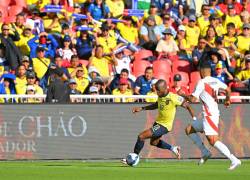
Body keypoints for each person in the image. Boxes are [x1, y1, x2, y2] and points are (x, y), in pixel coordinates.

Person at [180, 62, 241, 170]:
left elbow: (193, 99)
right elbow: (228, 89)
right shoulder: (216, 80)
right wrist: (227, 100)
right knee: (189, 129)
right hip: (209, 113)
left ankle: (234, 159)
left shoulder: (201, 82)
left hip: (209, 114)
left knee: (212, 140)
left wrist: (182, 94)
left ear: (201, 72)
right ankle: (205, 152)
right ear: (209, 71)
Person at [122, 79, 196, 164]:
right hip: (158, 122)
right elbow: (156, 105)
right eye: (156, 91)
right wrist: (142, 108)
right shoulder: (161, 96)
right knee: (154, 142)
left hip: (165, 126)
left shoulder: (173, 97)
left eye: (159, 91)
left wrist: (194, 118)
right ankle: (174, 148)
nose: (157, 93)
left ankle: (133, 158)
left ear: (165, 89)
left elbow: (188, 106)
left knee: (141, 136)